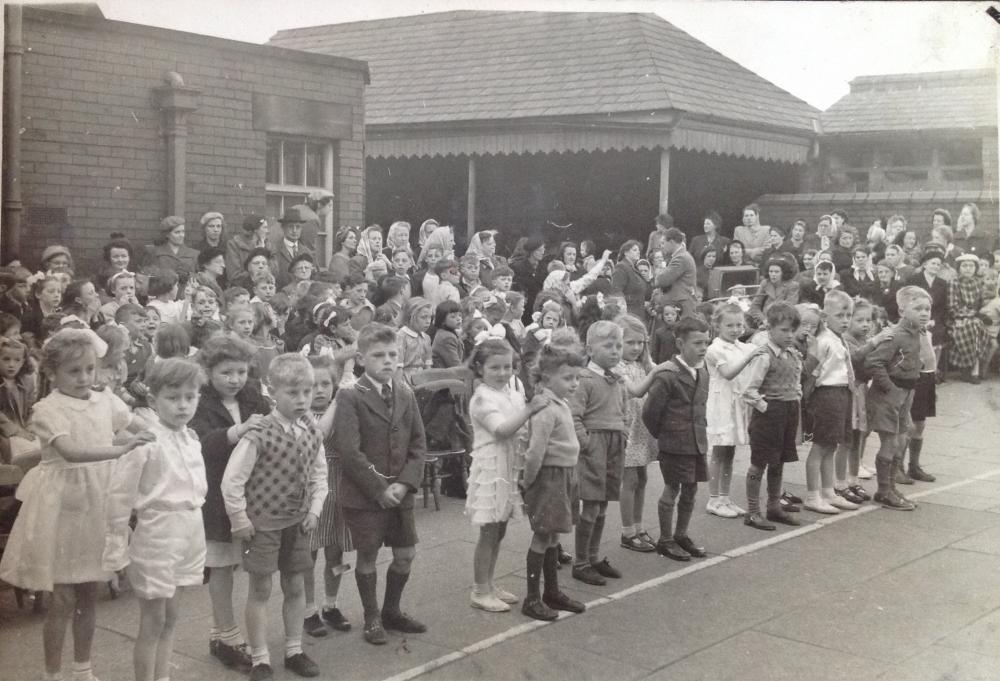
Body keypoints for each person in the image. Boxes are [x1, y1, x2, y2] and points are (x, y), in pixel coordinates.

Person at [0, 329, 154, 681]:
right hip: (61, 506)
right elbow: (70, 451)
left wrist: (153, 436)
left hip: (97, 502)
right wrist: (120, 450)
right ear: (52, 374)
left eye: (89, 369)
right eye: (74, 371)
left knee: (89, 592)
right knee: (62, 598)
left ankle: (83, 669)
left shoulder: (105, 400)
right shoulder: (47, 409)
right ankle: (52, 674)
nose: (85, 378)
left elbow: (131, 427)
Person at [221, 353, 328, 680]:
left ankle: (294, 649)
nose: (301, 400)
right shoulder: (259, 432)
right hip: (263, 525)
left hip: (297, 522)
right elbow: (232, 481)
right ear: (273, 391)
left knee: (295, 585)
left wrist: (314, 509)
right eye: (292, 393)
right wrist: (240, 520)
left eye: (306, 392)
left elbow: (320, 474)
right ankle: (260, 658)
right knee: (260, 590)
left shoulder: (311, 429)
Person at [102, 358, 208, 681]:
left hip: (190, 531)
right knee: (153, 620)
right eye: (173, 398)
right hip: (159, 534)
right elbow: (119, 499)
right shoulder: (146, 442)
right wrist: (116, 550)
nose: (183, 405)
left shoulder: (191, 438)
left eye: (190, 397)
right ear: (153, 400)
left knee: (172, 616)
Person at [330, 324, 428, 645]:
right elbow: (349, 451)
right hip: (365, 496)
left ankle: (391, 610)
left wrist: (404, 484)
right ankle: (372, 617)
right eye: (378, 355)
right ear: (360, 358)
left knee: (405, 554)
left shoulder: (405, 392)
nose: (387, 361)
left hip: (400, 493)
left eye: (392, 354)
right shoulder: (350, 396)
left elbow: (418, 444)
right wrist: (378, 489)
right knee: (368, 557)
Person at [189, 336, 271, 672]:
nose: (235, 379)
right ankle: (227, 633)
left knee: (247, 563)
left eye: (240, 371)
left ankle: (220, 632)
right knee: (222, 565)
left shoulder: (253, 394)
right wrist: (238, 431)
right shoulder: (200, 401)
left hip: (253, 493)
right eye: (226, 373)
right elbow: (202, 444)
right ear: (209, 372)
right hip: (216, 496)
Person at [464, 338, 548, 611]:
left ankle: (489, 583)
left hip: (509, 465)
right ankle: (479, 589)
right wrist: (529, 409)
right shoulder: (481, 398)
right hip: (492, 467)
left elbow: (521, 428)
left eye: (507, 367)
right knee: (489, 531)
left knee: (498, 530)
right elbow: (501, 430)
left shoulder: (511, 392)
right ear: (479, 368)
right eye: (494, 368)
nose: (502, 373)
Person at [520, 345, 588, 621]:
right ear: (546, 378)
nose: (574, 384)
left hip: (565, 475)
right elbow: (535, 451)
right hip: (550, 478)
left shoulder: (560, 402)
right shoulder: (546, 408)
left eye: (576, 378)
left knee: (554, 535)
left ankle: (552, 591)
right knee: (543, 535)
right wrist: (528, 482)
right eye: (567, 378)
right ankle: (532, 598)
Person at [569, 320, 626, 586]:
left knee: (602, 506)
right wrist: (587, 444)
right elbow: (574, 416)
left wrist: (623, 433)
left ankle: (593, 557)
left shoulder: (615, 378)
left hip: (614, 445)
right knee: (590, 506)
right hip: (594, 447)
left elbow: (622, 410)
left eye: (618, 345)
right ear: (590, 350)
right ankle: (580, 562)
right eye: (608, 345)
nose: (615, 351)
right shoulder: (585, 378)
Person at [863, 286, 929, 511]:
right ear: (901, 310)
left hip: (906, 394)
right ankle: (883, 491)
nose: (924, 313)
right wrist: (890, 388)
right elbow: (874, 362)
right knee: (889, 443)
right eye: (917, 308)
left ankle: (891, 487)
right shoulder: (896, 335)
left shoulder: (915, 333)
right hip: (889, 395)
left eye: (927, 309)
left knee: (901, 440)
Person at [740, 302, 804, 531]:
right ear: (770, 330)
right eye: (784, 330)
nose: (789, 335)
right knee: (759, 463)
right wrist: (766, 407)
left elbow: (796, 383)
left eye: (792, 330)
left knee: (778, 461)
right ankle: (753, 512)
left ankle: (774, 506)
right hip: (769, 415)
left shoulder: (792, 354)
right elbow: (748, 390)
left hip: (788, 412)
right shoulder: (764, 355)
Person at [302, 356, 353, 637]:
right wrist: (339, 398)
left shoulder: (342, 409)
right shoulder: (302, 412)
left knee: (336, 551)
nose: (320, 390)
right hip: (312, 488)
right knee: (307, 554)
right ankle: (308, 610)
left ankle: (330, 605)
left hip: (339, 485)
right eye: (313, 385)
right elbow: (319, 435)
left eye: (326, 384)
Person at [704, 303, 766, 518]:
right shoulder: (714, 349)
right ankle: (713, 499)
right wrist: (750, 356)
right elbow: (728, 373)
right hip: (721, 402)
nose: (735, 329)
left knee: (730, 452)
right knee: (719, 451)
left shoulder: (742, 346)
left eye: (739, 324)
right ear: (718, 326)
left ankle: (725, 496)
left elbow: (760, 353)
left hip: (737, 402)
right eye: (729, 325)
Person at [801, 290, 861, 515]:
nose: (845, 320)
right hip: (827, 395)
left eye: (849, 315)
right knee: (820, 446)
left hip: (842, 393)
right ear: (826, 316)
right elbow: (811, 371)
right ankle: (812, 495)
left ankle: (828, 491)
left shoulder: (839, 339)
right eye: (840, 315)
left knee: (831, 445)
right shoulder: (823, 341)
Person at [616, 315, 669, 551]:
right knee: (629, 480)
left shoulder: (643, 365)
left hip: (643, 427)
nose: (636, 348)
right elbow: (636, 391)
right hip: (628, 428)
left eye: (640, 343)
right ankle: (627, 532)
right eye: (630, 343)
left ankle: (638, 526)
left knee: (643, 478)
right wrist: (659, 372)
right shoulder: (618, 367)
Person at [947, 253, 989, 383]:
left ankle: (972, 369)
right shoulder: (954, 282)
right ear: (959, 268)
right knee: (972, 326)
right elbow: (952, 307)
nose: (968, 269)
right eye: (964, 266)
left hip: (975, 318)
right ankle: (970, 369)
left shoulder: (979, 283)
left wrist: (980, 313)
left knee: (976, 326)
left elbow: (983, 303)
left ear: (975, 268)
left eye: (971, 266)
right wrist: (971, 315)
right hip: (957, 318)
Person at [655, 228, 697, 318]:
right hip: (680, 305)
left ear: (672, 242)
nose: (662, 246)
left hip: (681, 306)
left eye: (663, 243)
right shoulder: (681, 256)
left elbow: (661, 280)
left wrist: (659, 271)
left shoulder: (680, 258)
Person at [145, 216, 199, 285]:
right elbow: (150, 276)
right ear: (167, 234)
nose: (181, 235)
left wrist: (189, 275)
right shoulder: (156, 253)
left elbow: (199, 277)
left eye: (183, 232)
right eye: (177, 232)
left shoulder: (194, 254)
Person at [271, 207, 315, 289]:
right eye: (291, 227)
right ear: (283, 228)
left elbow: (313, 275)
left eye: (298, 227)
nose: (294, 231)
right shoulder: (274, 251)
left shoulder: (307, 252)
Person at [611, 239, 651, 320]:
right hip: (629, 313)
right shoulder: (621, 267)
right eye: (634, 250)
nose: (638, 252)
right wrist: (623, 311)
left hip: (638, 312)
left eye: (638, 250)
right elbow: (617, 291)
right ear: (626, 253)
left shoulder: (633, 268)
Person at [396, 297, 434, 382]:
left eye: (430, 317)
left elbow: (428, 366)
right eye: (424, 317)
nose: (428, 321)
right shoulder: (401, 337)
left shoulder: (426, 338)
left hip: (422, 380)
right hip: (405, 380)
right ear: (411, 317)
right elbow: (398, 368)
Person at [226, 215, 270, 281]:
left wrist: (263, 251)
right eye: (265, 227)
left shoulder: (267, 245)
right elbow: (234, 275)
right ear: (255, 231)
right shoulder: (234, 245)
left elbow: (275, 271)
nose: (267, 231)